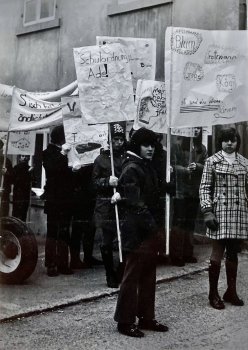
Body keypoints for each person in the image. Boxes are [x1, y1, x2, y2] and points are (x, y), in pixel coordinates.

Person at [113, 127, 168, 338]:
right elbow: (136, 204)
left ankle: (146, 317)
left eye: (153, 145)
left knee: (148, 275)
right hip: (137, 231)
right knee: (132, 275)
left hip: (147, 229)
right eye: (147, 145)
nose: (151, 149)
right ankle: (125, 321)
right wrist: (154, 228)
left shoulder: (145, 166)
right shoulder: (132, 168)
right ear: (137, 145)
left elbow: (151, 194)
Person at [199, 127, 248, 309]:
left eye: (233, 140)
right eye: (226, 140)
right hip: (219, 213)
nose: (229, 143)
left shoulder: (245, 163)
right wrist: (207, 211)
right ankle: (213, 293)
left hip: (238, 212)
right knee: (217, 253)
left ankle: (231, 291)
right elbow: (204, 188)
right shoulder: (212, 161)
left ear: (237, 142)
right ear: (220, 141)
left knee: (233, 252)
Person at [92, 122, 126, 288]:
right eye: (115, 139)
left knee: (124, 241)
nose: (118, 143)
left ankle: (121, 271)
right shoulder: (101, 159)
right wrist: (107, 181)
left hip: (123, 203)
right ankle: (109, 274)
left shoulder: (127, 158)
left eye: (121, 139)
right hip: (106, 206)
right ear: (109, 141)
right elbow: (94, 183)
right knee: (106, 241)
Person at [170, 128, 207, 266]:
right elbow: (172, 166)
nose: (196, 131)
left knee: (190, 222)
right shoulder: (177, 145)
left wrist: (197, 166)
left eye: (198, 128)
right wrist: (185, 169)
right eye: (193, 128)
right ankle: (176, 254)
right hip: (181, 189)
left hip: (194, 190)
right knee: (179, 222)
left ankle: (187, 253)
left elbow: (207, 165)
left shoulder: (201, 148)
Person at [42, 125, 74, 277]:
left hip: (66, 198)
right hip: (54, 198)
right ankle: (51, 264)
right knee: (53, 232)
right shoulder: (47, 153)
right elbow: (52, 169)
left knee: (64, 232)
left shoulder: (68, 152)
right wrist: (63, 154)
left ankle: (62, 263)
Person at [70, 164, 102, 269]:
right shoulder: (76, 160)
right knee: (78, 230)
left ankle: (88, 258)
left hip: (90, 197)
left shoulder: (93, 162)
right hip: (79, 198)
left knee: (90, 229)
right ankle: (75, 259)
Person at [12, 155, 34, 222]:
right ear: (20, 157)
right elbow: (15, 181)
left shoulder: (30, 168)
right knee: (16, 212)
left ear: (29, 158)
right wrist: (27, 173)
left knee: (24, 212)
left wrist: (31, 175)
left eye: (26, 156)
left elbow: (34, 182)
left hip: (26, 194)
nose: (24, 158)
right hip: (18, 193)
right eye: (22, 156)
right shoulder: (16, 168)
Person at [0, 139, 13, 217]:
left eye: (1, 148)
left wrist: (7, 173)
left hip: (4, 193)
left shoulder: (6, 161)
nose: (1, 150)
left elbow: (12, 179)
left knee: (3, 215)